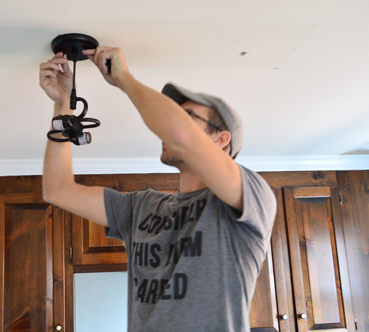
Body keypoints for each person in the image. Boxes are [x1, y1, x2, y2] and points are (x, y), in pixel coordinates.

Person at [39, 47, 277, 332]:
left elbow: (179, 134)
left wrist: (124, 79)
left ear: (221, 139)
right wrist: (62, 106)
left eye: (186, 115)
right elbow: (58, 190)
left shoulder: (251, 198)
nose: (169, 126)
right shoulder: (141, 207)